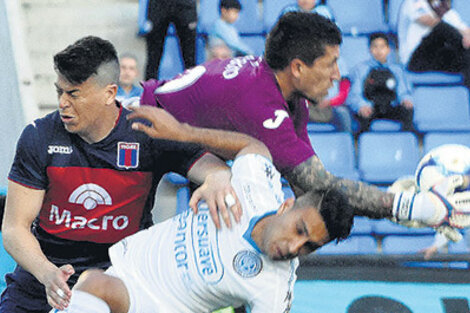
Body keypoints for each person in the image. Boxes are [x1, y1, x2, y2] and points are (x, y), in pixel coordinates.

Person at [139, 12, 464, 234]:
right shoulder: (263, 108)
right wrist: (412, 207)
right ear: (297, 67)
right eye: (331, 64)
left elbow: (313, 190)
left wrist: (386, 203)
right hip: (136, 130)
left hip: (176, 141)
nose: (338, 75)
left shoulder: (287, 97)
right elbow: (321, 186)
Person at [0, 36, 240, 313]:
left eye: (74, 94)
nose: (63, 103)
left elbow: (210, 166)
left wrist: (218, 177)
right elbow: (14, 228)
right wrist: (47, 274)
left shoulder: (146, 131)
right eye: (59, 92)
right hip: (44, 280)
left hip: (122, 281)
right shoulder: (38, 136)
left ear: (109, 93)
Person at [50, 105, 355, 313]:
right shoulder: (256, 189)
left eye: (309, 247)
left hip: (154, 305)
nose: (294, 247)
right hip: (128, 266)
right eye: (299, 229)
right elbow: (253, 148)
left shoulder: (274, 287)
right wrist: (210, 163)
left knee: (94, 286)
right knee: (91, 283)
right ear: (287, 205)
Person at [348, 32, 415, 134]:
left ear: (388, 49)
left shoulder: (397, 69)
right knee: (362, 117)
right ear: (370, 49)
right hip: (370, 107)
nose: (379, 51)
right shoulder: (361, 69)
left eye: (382, 47)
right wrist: (361, 105)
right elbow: (355, 94)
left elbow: (403, 91)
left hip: (391, 106)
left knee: (408, 111)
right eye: (375, 47)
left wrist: (406, 100)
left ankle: (405, 143)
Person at [398, 0, 470, 87]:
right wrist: (463, 37)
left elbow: (463, 28)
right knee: (442, 28)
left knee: (465, 58)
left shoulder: (441, 5)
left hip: (434, 57)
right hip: (414, 60)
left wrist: (467, 37)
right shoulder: (412, 2)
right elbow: (430, 21)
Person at [144, 0, 197, 80]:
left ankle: (192, 88)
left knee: (189, 55)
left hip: (184, 5)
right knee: (153, 56)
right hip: (159, 5)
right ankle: (150, 88)